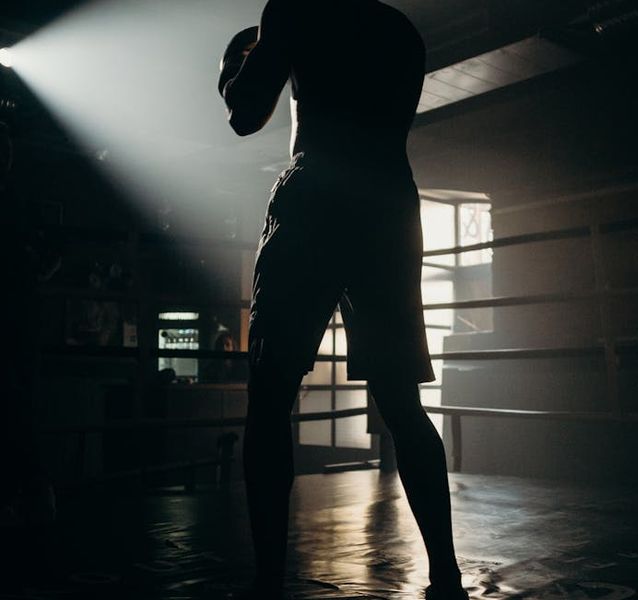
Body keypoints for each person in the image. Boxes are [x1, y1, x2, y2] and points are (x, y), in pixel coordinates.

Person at [217, 1, 468, 598]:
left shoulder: (297, 8)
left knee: (272, 390)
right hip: (388, 201)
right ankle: (447, 579)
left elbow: (247, 113)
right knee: (402, 405)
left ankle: (267, 585)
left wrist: (233, 68)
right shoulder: (399, 31)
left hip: (315, 196)